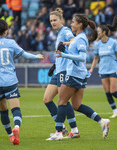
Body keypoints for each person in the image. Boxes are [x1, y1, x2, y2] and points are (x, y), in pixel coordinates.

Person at [46, 14, 110, 141]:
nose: (71, 24)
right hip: (79, 75)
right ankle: (102, 121)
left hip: (74, 74)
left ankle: (59, 132)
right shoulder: (78, 38)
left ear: (80, 24)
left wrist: (64, 55)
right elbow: (74, 50)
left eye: (73, 22)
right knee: (76, 105)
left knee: (61, 102)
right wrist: (66, 45)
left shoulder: (80, 38)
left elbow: (82, 58)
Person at [43, 8, 80, 138]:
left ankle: (71, 130)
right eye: (51, 20)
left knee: (63, 100)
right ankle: (65, 128)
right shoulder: (59, 33)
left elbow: (73, 41)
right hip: (58, 70)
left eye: (55, 20)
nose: (52, 22)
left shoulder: (65, 31)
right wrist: (54, 65)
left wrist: (66, 43)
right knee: (47, 99)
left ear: (61, 20)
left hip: (64, 70)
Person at [89, 15, 117, 119]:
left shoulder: (113, 42)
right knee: (107, 92)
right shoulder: (98, 44)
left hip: (113, 69)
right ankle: (115, 112)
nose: (97, 33)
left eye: (99, 31)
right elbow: (96, 58)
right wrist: (92, 68)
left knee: (113, 91)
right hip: (103, 70)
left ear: (104, 32)